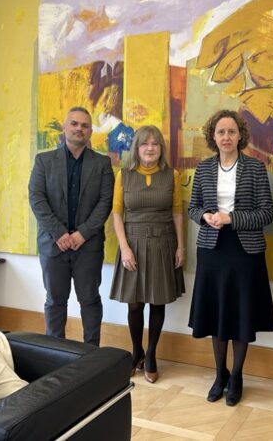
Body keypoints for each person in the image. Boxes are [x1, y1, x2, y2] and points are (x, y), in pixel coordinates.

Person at [188, 109, 273, 406]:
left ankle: (237, 375)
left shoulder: (255, 168)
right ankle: (220, 374)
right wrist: (205, 216)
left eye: (231, 132)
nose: (226, 137)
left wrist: (231, 218)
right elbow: (193, 207)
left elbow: (266, 213)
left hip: (244, 251)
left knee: (240, 314)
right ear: (213, 137)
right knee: (216, 313)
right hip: (211, 249)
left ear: (241, 136)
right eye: (221, 132)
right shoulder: (203, 168)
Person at [29, 106, 114, 346]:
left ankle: (91, 354)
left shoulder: (102, 164)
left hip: (88, 246)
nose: (79, 129)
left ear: (90, 132)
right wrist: (59, 233)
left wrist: (82, 234)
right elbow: (37, 199)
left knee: (90, 300)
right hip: (53, 245)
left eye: (85, 125)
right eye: (74, 124)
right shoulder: (44, 161)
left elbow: (105, 202)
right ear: (65, 127)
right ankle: (55, 354)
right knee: (55, 301)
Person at [109, 125, 185, 384]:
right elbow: (117, 213)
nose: (150, 148)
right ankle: (136, 352)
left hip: (163, 243)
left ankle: (151, 355)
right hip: (132, 243)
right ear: (137, 148)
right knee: (134, 303)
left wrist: (181, 246)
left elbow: (177, 212)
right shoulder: (123, 175)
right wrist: (124, 248)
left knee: (157, 301)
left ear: (161, 148)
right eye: (145, 143)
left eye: (155, 144)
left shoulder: (172, 175)